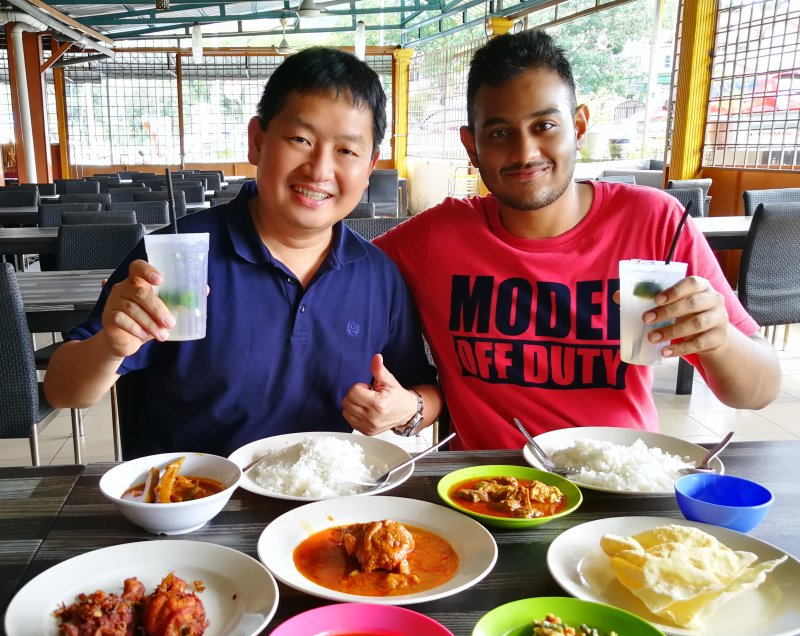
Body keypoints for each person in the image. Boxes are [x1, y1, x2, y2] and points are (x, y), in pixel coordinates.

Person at [376, 30, 781, 450]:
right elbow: (336, 267)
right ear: (471, 146)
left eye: (545, 125)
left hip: (620, 478)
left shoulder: (653, 221)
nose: (525, 152)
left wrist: (719, 336)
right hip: (485, 487)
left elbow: (758, 391)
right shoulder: (435, 237)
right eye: (499, 133)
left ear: (579, 126)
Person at [44, 47, 441, 458]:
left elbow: (426, 390)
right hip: (192, 504)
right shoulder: (178, 258)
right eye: (300, 139)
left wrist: (405, 409)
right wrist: (111, 345)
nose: (320, 170)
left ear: (369, 166)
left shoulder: (376, 274)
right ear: (257, 142)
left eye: (347, 151)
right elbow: (61, 390)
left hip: (316, 507)